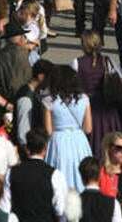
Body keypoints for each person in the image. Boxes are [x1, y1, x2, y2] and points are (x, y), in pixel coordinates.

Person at [41, 64, 92, 192]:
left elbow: (48, 130)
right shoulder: (84, 99)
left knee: (59, 172)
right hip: (79, 140)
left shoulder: (49, 100)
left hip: (58, 140)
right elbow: (88, 128)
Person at [3, 130, 68, 222]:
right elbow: (61, 210)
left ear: (26, 149)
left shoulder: (11, 172)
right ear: (45, 148)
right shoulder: (55, 175)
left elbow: (5, 207)